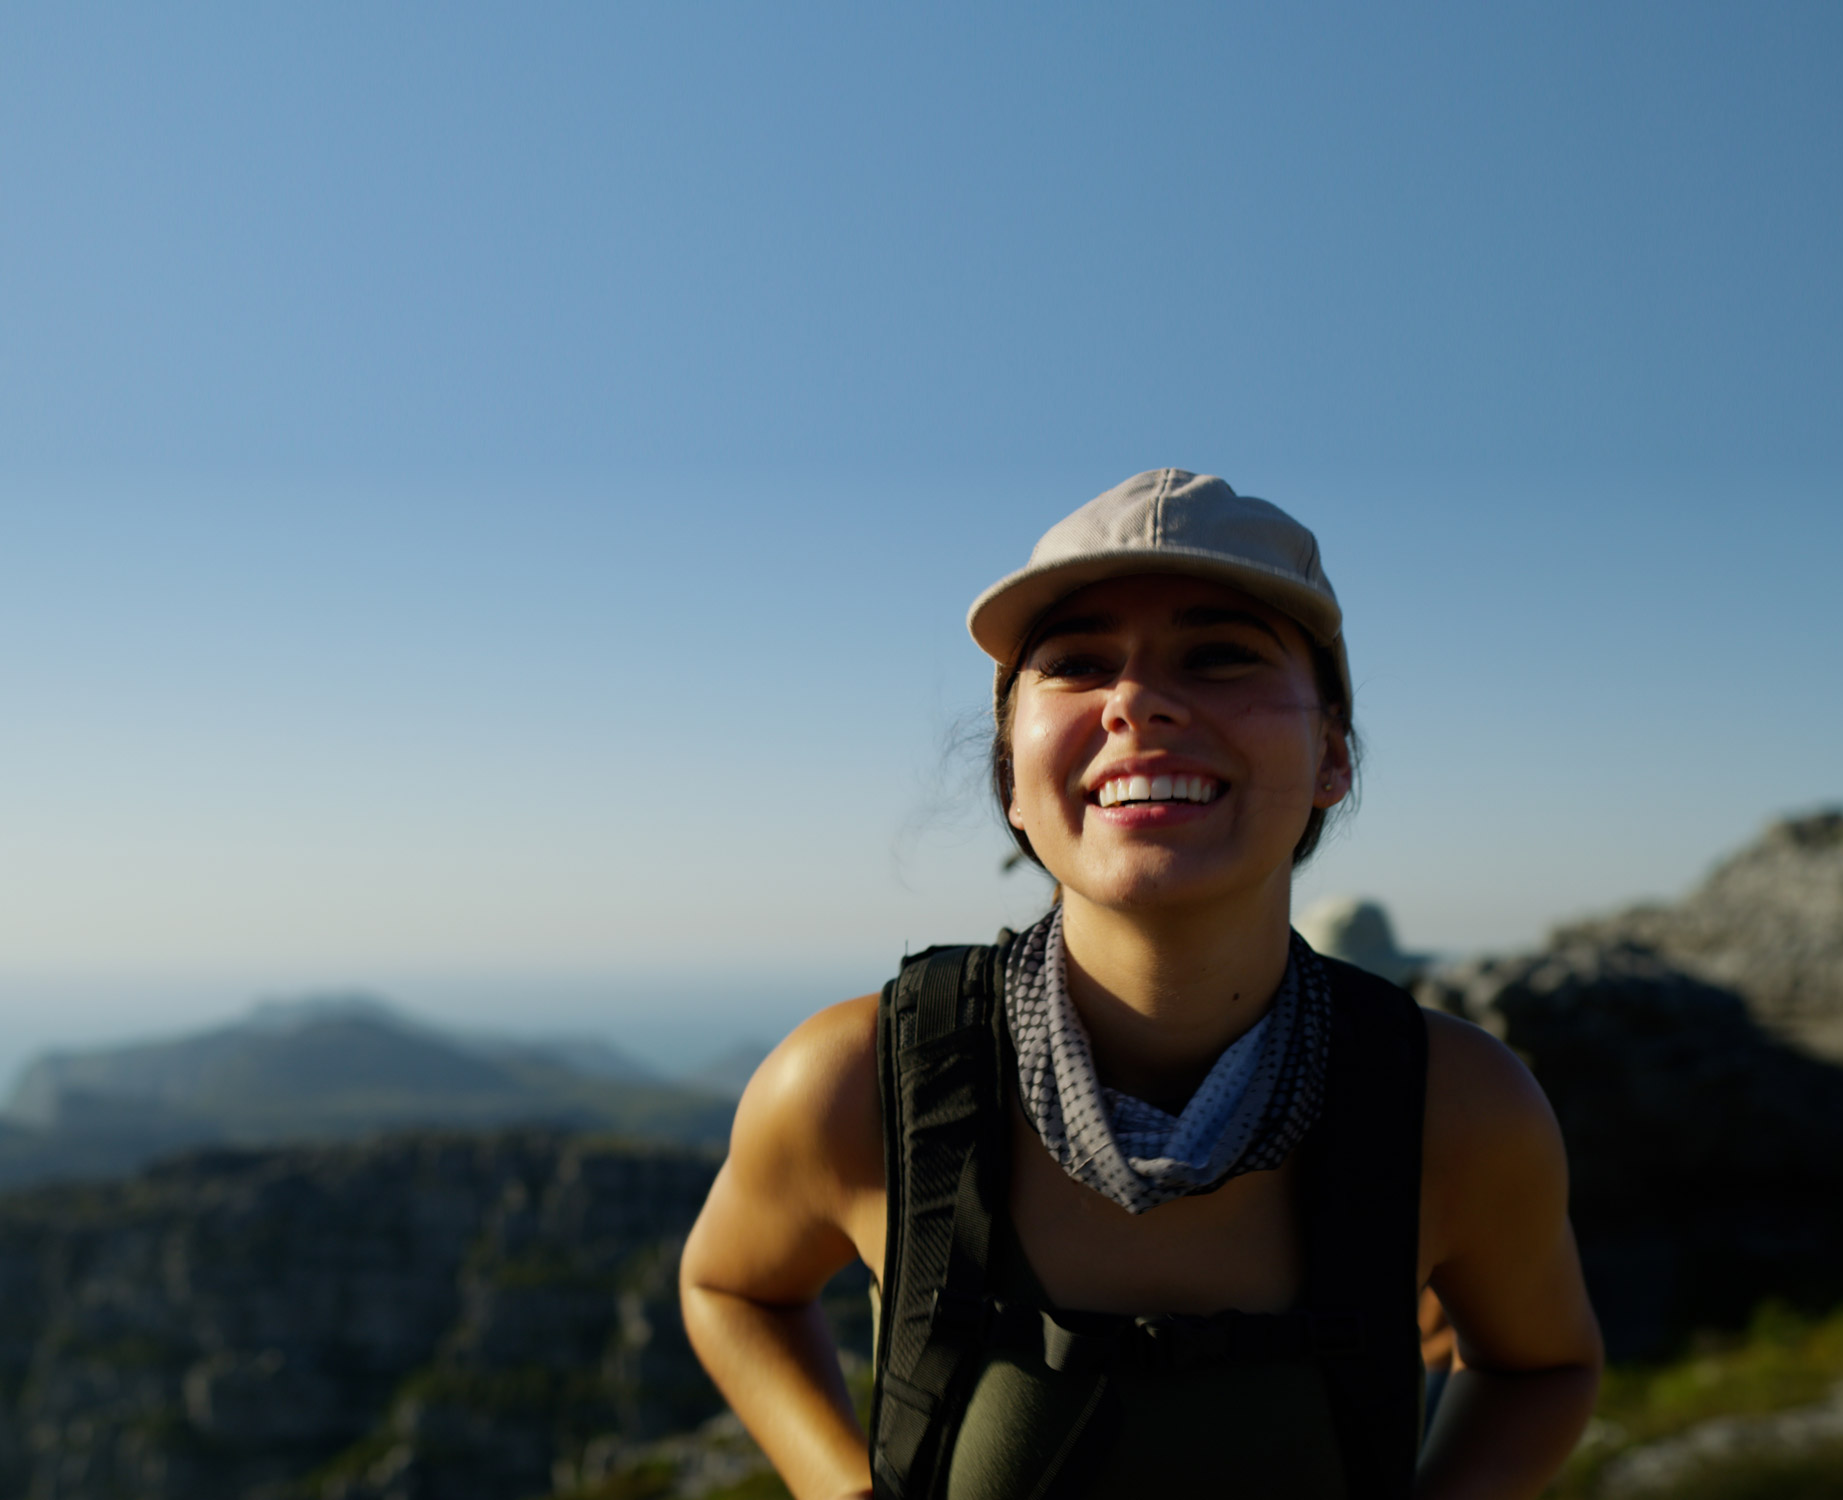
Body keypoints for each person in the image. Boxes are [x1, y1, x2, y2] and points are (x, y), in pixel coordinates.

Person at [680, 470, 1602, 1499]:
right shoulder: (861, 1086)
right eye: (1075, 664)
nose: (1138, 701)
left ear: (1330, 754)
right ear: (1009, 780)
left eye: (1219, 657)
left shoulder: (1455, 1109)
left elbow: (1542, 1364)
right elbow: (729, 1286)